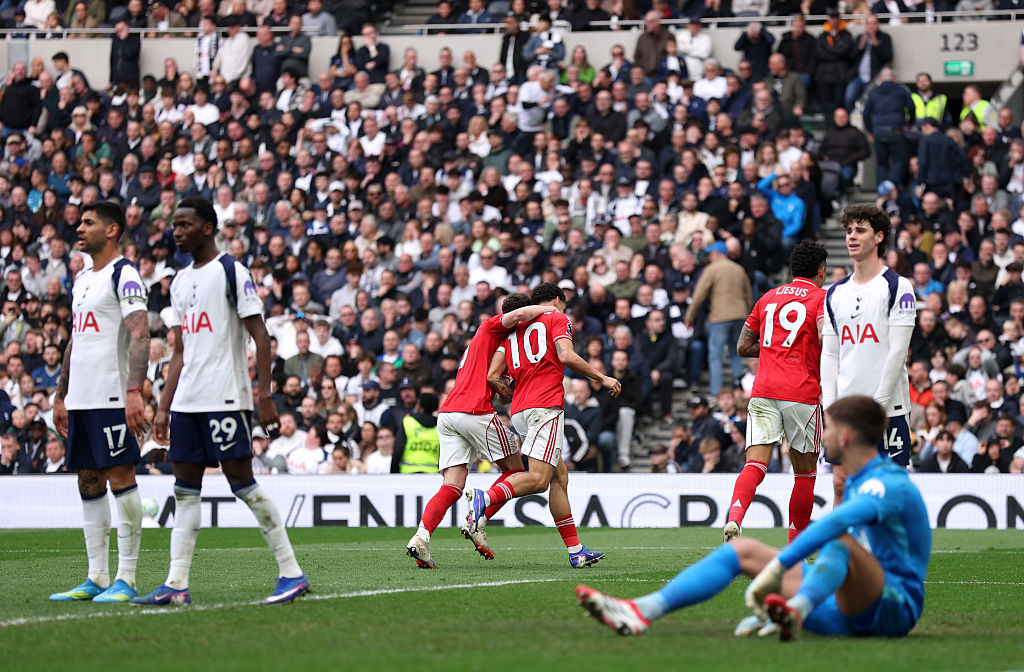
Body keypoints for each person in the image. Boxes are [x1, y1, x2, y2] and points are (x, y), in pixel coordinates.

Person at [576, 395, 931, 641]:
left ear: (846, 436)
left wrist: (779, 569)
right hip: (845, 609)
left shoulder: (888, 483)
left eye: (829, 427)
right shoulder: (853, 481)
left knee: (838, 537)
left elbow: (838, 532)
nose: (823, 435)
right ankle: (641, 610)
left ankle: (798, 607)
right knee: (741, 550)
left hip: (893, 608)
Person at [131, 198, 309, 606]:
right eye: (174, 225)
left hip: (226, 396)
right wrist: (164, 406)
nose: (176, 231)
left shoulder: (231, 270)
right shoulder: (178, 281)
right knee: (184, 490)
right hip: (187, 402)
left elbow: (261, 336)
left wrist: (264, 394)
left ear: (208, 227)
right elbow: (179, 351)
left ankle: (291, 572)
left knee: (242, 482)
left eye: (185, 224)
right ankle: (176, 584)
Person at [465, 282, 622, 568]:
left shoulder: (513, 330)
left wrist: (507, 389)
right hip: (545, 407)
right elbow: (566, 355)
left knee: (559, 478)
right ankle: (484, 499)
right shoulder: (556, 317)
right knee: (538, 480)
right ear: (559, 300)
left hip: (520, 411)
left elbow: (492, 375)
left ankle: (576, 551)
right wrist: (602, 378)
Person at [405, 292, 560, 567]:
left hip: (449, 413)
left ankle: (421, 537)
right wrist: (549, 310)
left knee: (452, 485)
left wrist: (507, 389)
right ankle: (478, 518)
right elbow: (518, 315)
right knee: (515, 472)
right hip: (474, 411)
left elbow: (498, 388)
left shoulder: (499, 345)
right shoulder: (492, 327)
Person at [49, 201, 150, 603]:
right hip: (81, 398)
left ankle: (127, 577)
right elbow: (76, 340)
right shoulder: (82, 279)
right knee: (88, 481)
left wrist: (133, 391)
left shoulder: (125, 274)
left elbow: (139, 335)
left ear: (111, 230)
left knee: (120, 477)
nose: (79, 228)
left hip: (112, 395)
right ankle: (97, 576)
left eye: (88, 222)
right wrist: (61, 396)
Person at [725, 241, 828, 545]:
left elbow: (743, 346)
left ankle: (734, 517)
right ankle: (796, 544)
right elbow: (825, 337)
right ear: (821, 271)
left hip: (764, 390)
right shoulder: (821, 298)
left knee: (755, 464)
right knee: (805, 474)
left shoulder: (768, 297)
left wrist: (773, 350)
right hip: (801, 392)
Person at [822, 202, 916, 511]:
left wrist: (877, 407)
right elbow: (830, 354)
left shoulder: (898, 286)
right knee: (841, 486)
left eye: (860, 230)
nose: (851, 236)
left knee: (890, 492)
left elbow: (898, 352)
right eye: (849, 230)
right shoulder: (834, 293)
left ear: (878, 237)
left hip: (888, 409)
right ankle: (844, 543)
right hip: (845, 412)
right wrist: (829, 407)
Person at [685, 241, 753, 397]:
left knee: (715, 355)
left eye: (711, 254)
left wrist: (690, 316)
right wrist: (749, 314)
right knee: (736, 353)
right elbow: (748, 295)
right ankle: (739, 390)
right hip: (740, 316)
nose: (710, 257)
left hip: (720, 317)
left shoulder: (712, 269)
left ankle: (716, 392)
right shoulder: (739, 269)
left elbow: (699, 295)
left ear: (717, 253)